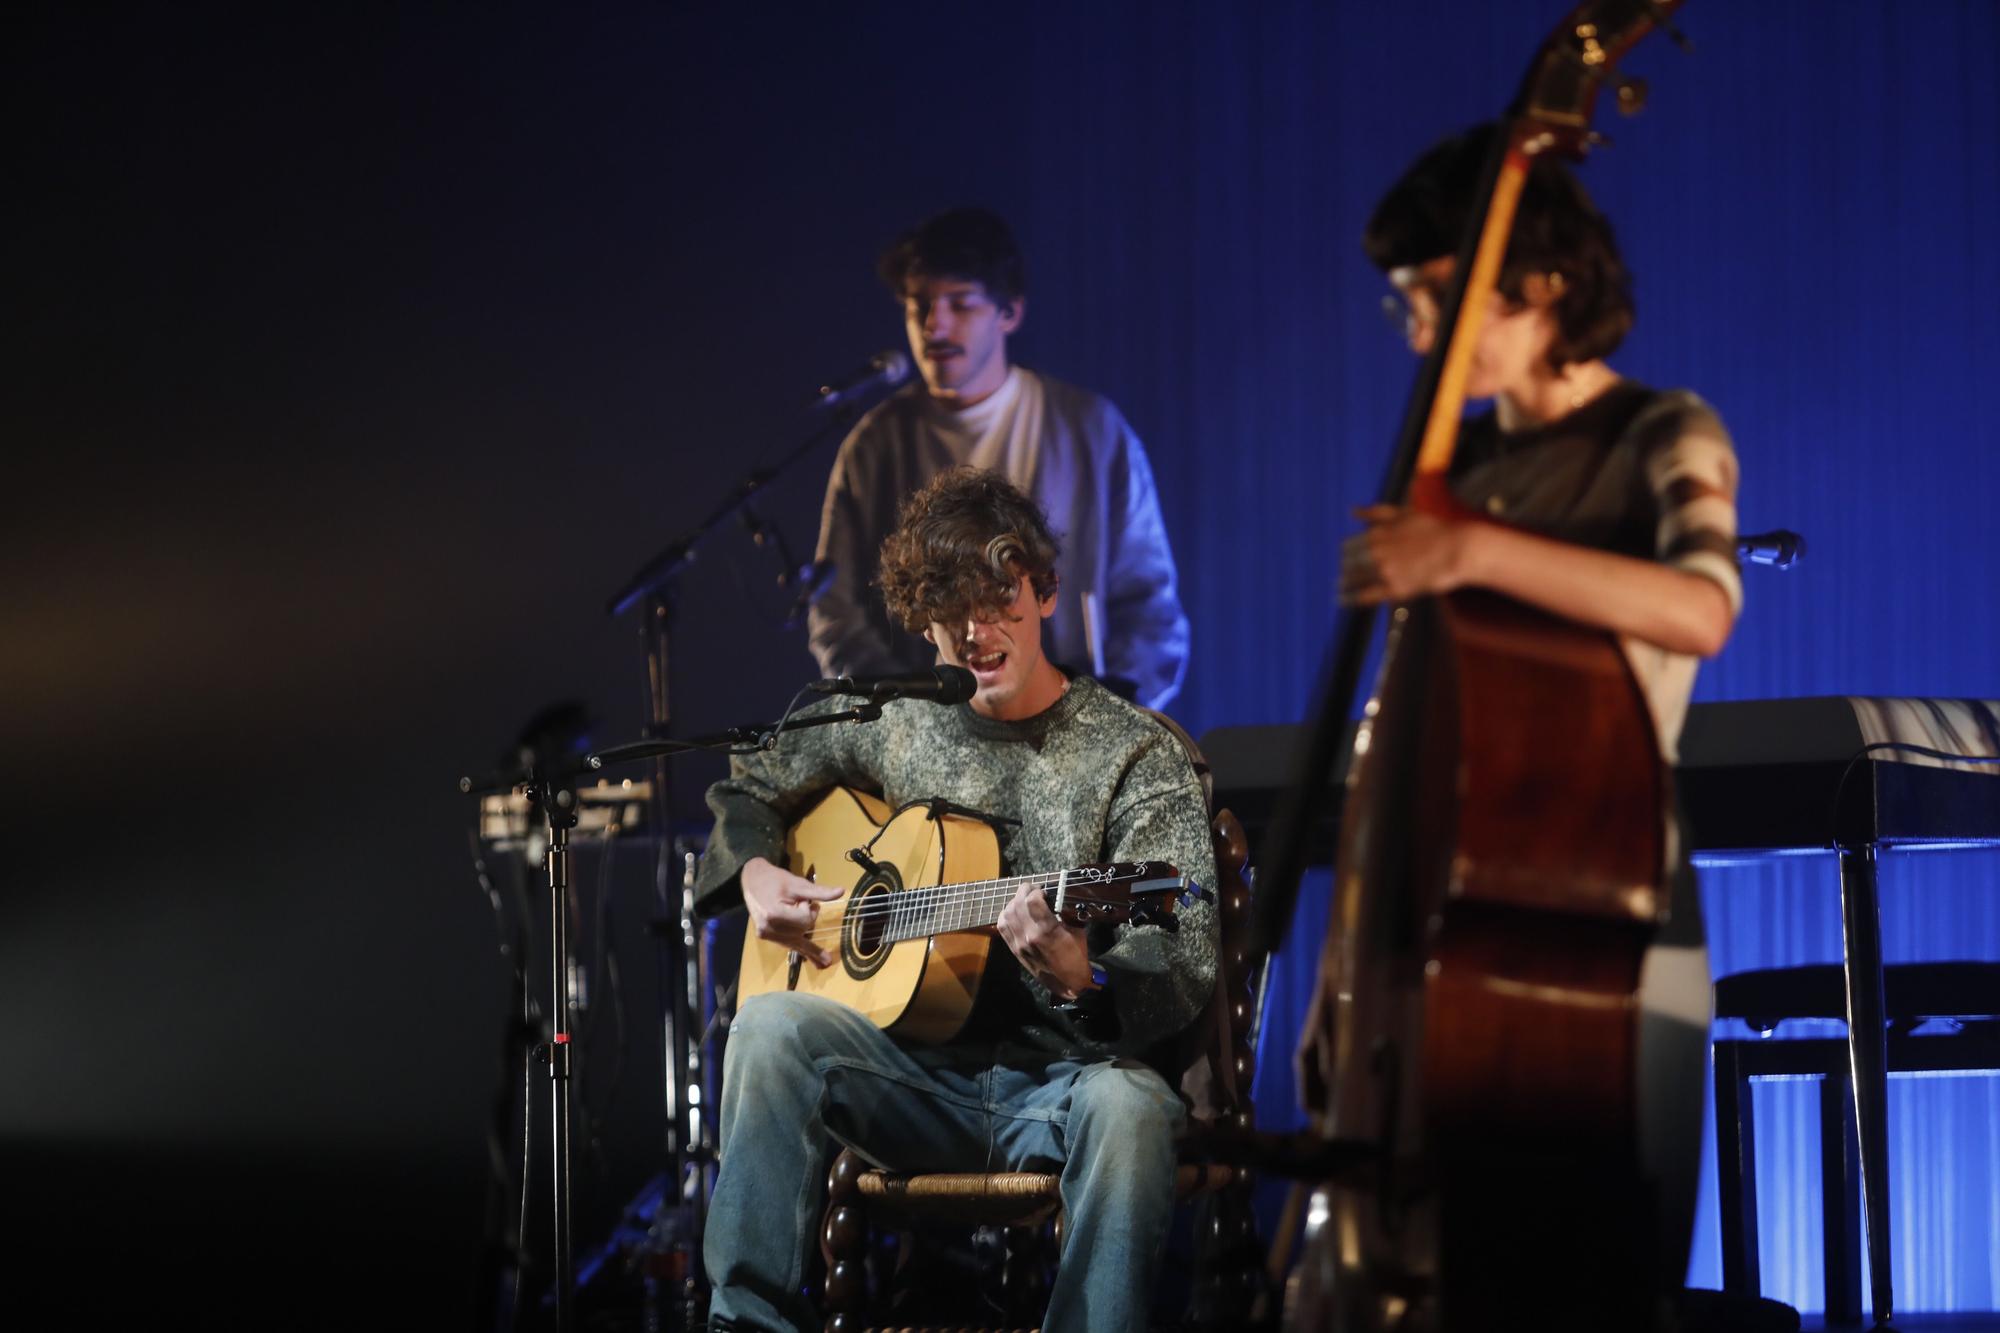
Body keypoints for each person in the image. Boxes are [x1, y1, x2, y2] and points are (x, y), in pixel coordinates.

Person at [1340, 123, 1756, 1328]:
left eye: (1437, 296)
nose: (1420, 332)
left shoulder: (1660, 433)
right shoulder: (1453, 461)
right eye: (1406, 303)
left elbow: (1702, 607)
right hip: (1447, 929)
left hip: (1611, 921)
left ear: (1543, 283)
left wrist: (1469, 549)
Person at [698, 466, 1220, 1332]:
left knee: (1132, 1111)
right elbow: (750, 783)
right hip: (908, 1080)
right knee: (769, 1026)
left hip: (1064, 1084)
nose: (975, 634)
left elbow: (1186, 953)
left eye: (998, 601)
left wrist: (1082, 977)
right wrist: (755, 875)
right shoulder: (892, 720)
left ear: (1045, 590)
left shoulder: (1130, 753)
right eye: (949, 612)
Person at [809, 206, 1191, 710]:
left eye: (960, 304)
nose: (933, 325)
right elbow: (835, 608)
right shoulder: (875, 443)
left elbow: (1150, 607)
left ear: (1009, 312)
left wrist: (1105, 716)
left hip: (1075, 728)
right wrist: (903, 714)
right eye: (918, 305)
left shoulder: (1090, 429)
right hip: (931, 736)